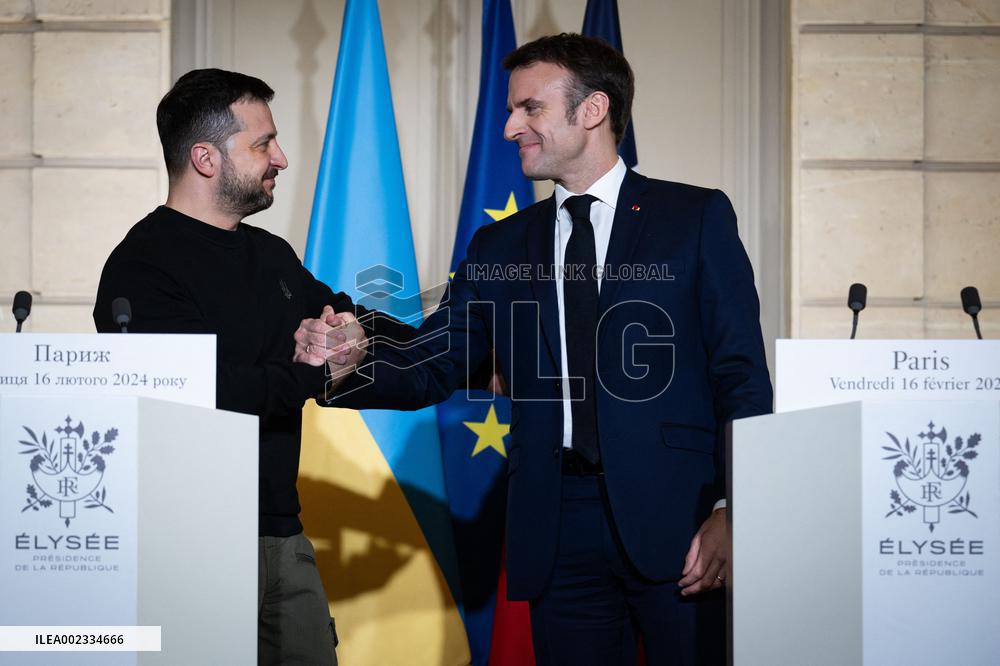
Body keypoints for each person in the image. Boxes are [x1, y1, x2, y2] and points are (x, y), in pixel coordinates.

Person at [299, 33, 773, 664]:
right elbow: (434, 364)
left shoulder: (695, 218)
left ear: (593, 109)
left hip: (683, 521)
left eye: (530, 108)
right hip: (557, 528)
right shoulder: (499, 246)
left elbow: (740, 376)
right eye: (510, 109)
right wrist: (351, 362)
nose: (509, 127)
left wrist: (734, 510)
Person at [92, 68, 397, 665]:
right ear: (206, 158)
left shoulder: (271, 254)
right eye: (263, 144)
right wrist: (311, 375)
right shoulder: (141, 266)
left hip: (282, 533)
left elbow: (345, 318)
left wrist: (474, 356)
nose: (280, 158)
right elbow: (204, 392)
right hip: (189, 545)